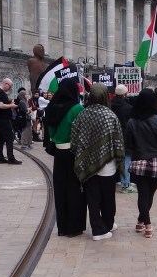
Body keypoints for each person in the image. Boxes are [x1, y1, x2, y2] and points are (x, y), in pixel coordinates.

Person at [70, 84, 125, 241]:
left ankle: (97, 228)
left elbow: (74, 138)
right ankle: (106, 225)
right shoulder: (109, 115)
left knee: (92, 199)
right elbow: (117, 140)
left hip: (88, 164)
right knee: (108, 198)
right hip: (107, 164)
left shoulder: (83, 114)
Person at [125, 89, 157, 238]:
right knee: (149, 195)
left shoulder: (131, 122)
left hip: (139, 161)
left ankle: (142, 220)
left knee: (143, 194)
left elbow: (129, 144)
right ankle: (147, 225)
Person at [46, 78, 87, 237]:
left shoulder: (51, 107)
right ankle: (74, 227)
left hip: (58, 153)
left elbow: (49, 131)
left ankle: (62, 227)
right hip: (73, 153)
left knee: (60, 189)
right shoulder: (77, 108)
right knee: (75, 189)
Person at [111, 84, 135, 193]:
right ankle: (125, 184)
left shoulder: (110, 106)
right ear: (125, 94)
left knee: (115, 160)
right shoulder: (128, 108)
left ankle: (119, 181)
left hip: (112, 137)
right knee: (126, 161)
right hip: (125, 137)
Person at [0, 78, 22, 165]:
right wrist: (11, 105)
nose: (10, 88)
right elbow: (0, 105)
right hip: (3, 119)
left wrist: (9, 101)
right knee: (10, 137)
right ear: (5, 84)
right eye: (10, 86)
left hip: (1, 118)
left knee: (1, 139)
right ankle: (11, 158)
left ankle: (0, 157)